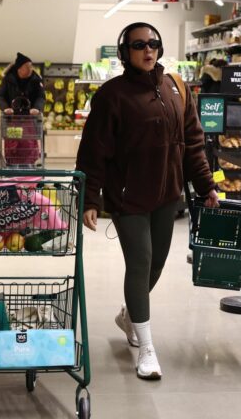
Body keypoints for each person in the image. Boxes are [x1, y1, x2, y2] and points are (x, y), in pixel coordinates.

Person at [76, 22, 219, 381]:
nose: (148, 49)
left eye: (153, 43)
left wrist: (206, 186)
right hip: (128, 197)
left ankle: (129, 316)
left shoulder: (176, 88)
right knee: (140, 263)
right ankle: (147, 348)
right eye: (139, 44)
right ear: (125, 52)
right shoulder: (112, 95)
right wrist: (91, 198)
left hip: (168, 195)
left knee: (156, 264)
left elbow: (193, 143)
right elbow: (94, 151)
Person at [0, 52, 45, 165]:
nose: (30, 69)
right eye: (27, 67)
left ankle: (29, 164)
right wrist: (5, 108)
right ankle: (12, 163)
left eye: (31, 66)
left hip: (30, 120)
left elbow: (41, 97)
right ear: (19, 69)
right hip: (12, 119)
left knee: (28, 144)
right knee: (13, 143)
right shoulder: (8, 80)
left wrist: (37, 108)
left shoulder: (36, 80)